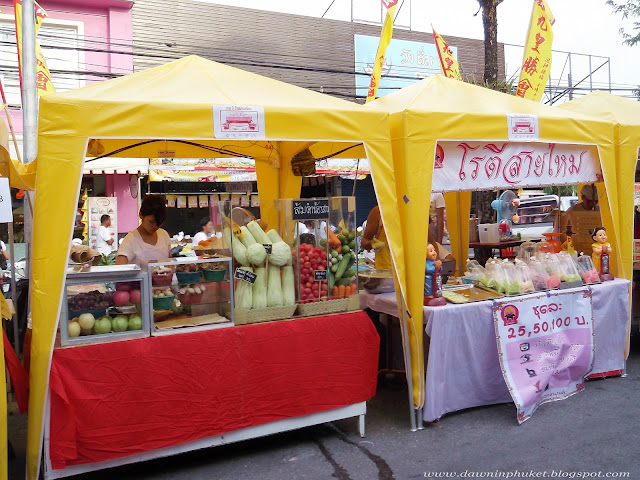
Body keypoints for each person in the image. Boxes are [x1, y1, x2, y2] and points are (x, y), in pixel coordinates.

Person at [116, 195, 171, 268]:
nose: (155, 226)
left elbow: (170, 263)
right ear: (141, 215)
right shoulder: (130, 240)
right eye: (151, 222)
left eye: (159, 223)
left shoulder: (164, 235)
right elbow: (119, 270)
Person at [361, 206, 391, 270]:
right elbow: (364, 241)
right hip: (385, 271)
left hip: (413, 273)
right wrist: (371, 243)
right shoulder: (378, 211)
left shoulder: (415, 210)